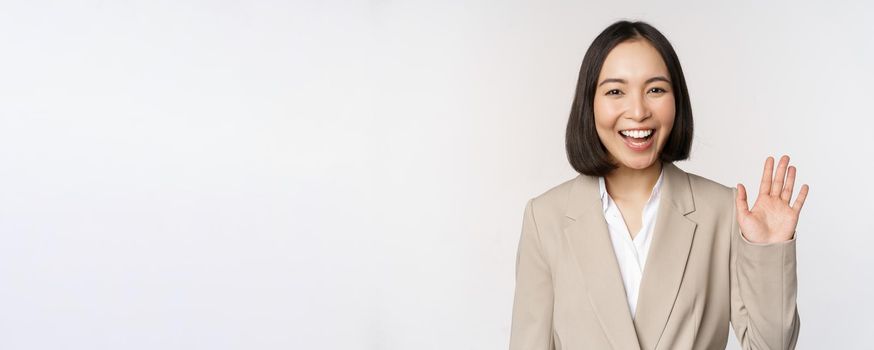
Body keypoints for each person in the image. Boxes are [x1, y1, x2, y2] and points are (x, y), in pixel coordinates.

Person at [508, 20, 809, 350]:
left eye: (655, 90)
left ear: (676, 100)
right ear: (589, 103)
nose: (638, 112)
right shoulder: (545, 217)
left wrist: (767, 252)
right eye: (615, 91)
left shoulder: (720, 210)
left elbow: (773, 346)